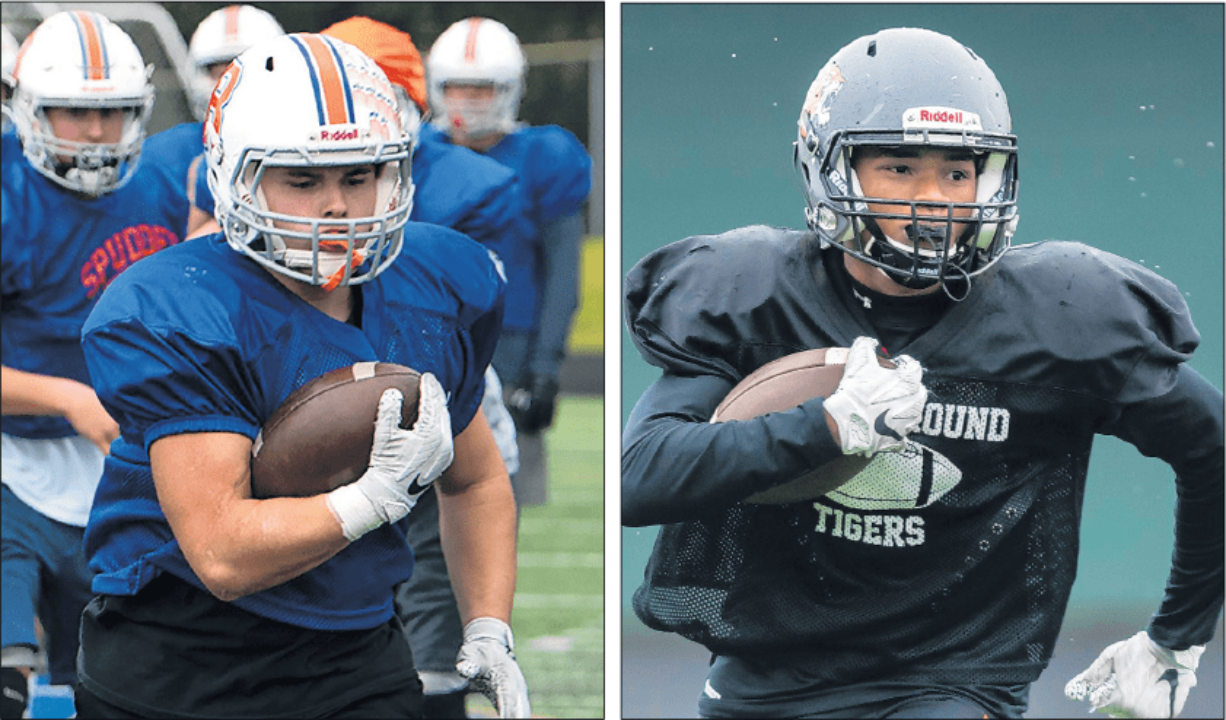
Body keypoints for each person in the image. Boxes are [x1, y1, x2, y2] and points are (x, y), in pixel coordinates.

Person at [622, 27, 1222, 719]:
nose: (933, 198)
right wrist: (828, 426)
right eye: (900, 168)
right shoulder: (755, 297)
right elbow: (642, 478)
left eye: (957, 172)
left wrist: (1178, 638)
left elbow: (1212, 446)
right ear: (831, 169)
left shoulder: (1060, 315)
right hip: (770, 673)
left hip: (955, 677)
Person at [75, 33, 529, 718]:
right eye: (303, 180)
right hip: (179, 655)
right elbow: (223, 556)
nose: (338, 207)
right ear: (236, 176)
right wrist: (373, 499)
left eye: (357, 176)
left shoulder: (436, 282)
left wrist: (489, 627)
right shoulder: (178, 305)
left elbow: (476, 480)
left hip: (356, 650)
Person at [319, 16, 532, 717]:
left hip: (439, 390)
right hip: (319, 398)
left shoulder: (474, 188)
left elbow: (462, 337)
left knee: (438, 622)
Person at [0, 11, 180, 718]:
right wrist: (70, 398)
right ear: (27, 108)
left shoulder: (163, 186)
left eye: (112, 113)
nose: (98, 133)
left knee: (107, 684)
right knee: (8, 677)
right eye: (74, 112)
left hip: (127, 472)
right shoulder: (11, 196)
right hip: (13, 467)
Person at [426, 16, 593, 510]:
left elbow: (563, 273)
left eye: (482, 90)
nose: (468, 102)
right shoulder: (414, 154)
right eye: (457, 89)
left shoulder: (545, 155)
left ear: (509, 90)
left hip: (509, 346)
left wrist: (545, 368)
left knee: (497, 501)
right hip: (425, 340)